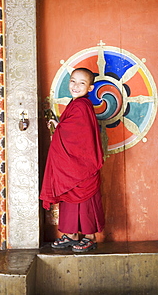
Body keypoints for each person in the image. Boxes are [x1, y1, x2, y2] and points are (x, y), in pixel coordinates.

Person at [40, 67, 105, 252]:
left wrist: (60, 129)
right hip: (73, 164)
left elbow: (78, 134)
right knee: (70, 196)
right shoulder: (76, 104)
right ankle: (71, 234)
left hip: (82, 164)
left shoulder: (82, 105)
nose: (76, 86)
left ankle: (90, 236)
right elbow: (74, 130)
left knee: (84, 199)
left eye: (82, 83)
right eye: (73, 81)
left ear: (90, 88)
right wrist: (60, 126)